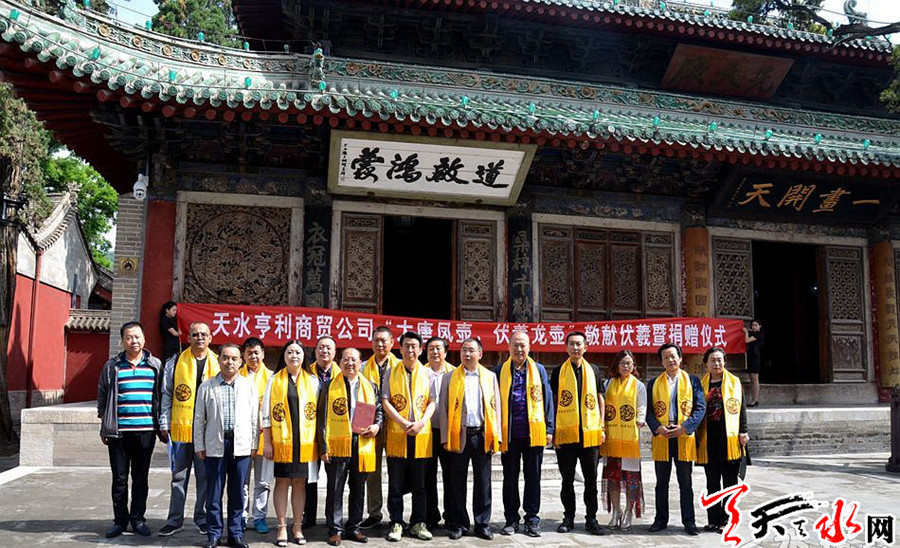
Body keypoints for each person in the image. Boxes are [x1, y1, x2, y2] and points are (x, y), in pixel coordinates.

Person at [97, 321, 162, 538]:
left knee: (140, 478)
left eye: (137, 337)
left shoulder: (155, 365)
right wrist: (104, 424)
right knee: (119, 479)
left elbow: (161, 395)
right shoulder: (112, 366)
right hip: (119, 432)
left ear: (144, 339)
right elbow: (102, 395)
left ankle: (138, 519)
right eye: (129, 337)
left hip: (146, 431)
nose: (134, 341)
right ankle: (120, 521)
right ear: (123, 340)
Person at [194, 343, 259, 548]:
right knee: (214, 492)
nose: (229, 362)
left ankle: (235, 533)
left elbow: (254, 419)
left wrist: (254, 443)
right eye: (225, 357)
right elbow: (199, 418)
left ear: (240, 361)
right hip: (215, 443)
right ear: (219, 359)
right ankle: (214, 534)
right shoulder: (207, 386)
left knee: (238, 492)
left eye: (234, 358)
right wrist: (199, 445)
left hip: (241, 445)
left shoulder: (249, 385)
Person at [159, 322, 220, 537]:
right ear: (188, 338)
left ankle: (201, 518)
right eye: (195, 334)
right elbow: (167, 393)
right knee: (178, 477)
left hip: (207, 431)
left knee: (205, 477)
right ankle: (174, 519)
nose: (199, 338)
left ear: (210, 338)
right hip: (181, 428)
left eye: (204, 334)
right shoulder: (175, 362)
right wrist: (164, 421)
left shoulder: (218, 363)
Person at [318, 347, 384, 546]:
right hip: (337, 443)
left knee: (358, 488)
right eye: (345, 359)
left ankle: (354, 527)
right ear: (339, 363)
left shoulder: (370, 386)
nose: (349, 363)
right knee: (335, 488)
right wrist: (323, 447)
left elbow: (379, 411)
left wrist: (377, 426)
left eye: (353, 359)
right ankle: (335, 529)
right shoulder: (329, 386)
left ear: (360, 362)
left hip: (362, 442)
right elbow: (322, 417)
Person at [440, 337, 502, 541]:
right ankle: (460, 524)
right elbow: (444, 408)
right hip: (458, 435)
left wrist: (497, 436)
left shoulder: (490, 377)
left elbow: (496, 407)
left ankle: (482, 524)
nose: (467, 354)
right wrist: (445, 438)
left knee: (483, 482)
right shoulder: (450, 377)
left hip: (482, 434)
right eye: (464, 350)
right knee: (457, 482)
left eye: (471, 350)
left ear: (480, 354)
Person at [493, 331, 554, 538]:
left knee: (533, 477)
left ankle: (532, 519)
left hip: (533, 433)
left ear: (529, 347)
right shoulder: (499, 371)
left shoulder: (539, 370)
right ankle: (511, 519)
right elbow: (493, 404)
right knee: (509, 478)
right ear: (508, 347)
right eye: (515, 345)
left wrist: (549, 428)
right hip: (509, 434)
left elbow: (547, 399)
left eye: (523, 345)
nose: (519, 349)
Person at [262, 340, 320, 547]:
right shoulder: (274, 380)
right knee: (282, 482)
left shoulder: (313, 381)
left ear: (304, 356)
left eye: (298, 352)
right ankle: (281, 527)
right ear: (284, 356)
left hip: (305, 442)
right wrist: (267, 442)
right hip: (281, 441)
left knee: (299, 483)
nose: (294, 356)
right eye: (290, 352)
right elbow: (266, 414)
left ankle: (297, 526)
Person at [646, 342, 706, 536]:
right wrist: (657, 427)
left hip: (683, 435)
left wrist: (685, 427)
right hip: (662, 436)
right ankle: (660, 519)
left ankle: (689, 521)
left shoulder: (692, 381)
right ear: (661, 362)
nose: (670, 360)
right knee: (661, 482)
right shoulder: (653, 383)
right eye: (666, 357)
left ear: (680, 358)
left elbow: (700, 408)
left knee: (685, 482)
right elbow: (648, 411)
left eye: (673, 356)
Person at [381, 331, 436, 542]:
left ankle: (418, 523)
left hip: (421, 435)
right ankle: (396, 522)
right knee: (395, 484)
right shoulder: (391, 372)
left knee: (420, 484)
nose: (410, 350)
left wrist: (420, 423)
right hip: (398, 433)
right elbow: (385, 401)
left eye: (414, 346)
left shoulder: (428, 373)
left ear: (421, 350)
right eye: (406, 346)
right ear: (400, 348)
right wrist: (403, 423)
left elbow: (432, 402)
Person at [550, 331, 605, 535]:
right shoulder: (558, 371)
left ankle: (591, 518)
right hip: (566, 434)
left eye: (579, 344)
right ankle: (568, 517)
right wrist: (553, 430)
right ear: (566, 348)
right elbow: (554, 400)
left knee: (591, 479)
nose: (575, 348)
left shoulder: (594, 370)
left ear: (585, 347)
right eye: (571, 344)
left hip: (590, 434)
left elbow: (600, 398)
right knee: (567, 479)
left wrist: (602, 427)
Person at [697, 347, 750, 533]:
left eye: (720, 359)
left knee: (729, 482)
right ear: (706, 363)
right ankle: (713, 519)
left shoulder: (734, 382)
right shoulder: (700, 385)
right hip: (708, 439)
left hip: (729, 439)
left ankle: (726, 520)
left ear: (725, 361)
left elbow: (742, 409)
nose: (716, 363)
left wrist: (743, 431)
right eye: (712, 360)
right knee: (712, 482)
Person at [600, 350, 646, 531]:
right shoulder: (608, 384)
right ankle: (616, 511)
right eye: (623, 363)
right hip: (612, 438)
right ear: (617, 365)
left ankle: (628, 511)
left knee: (630, 478)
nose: (626, 366)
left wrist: (640, 420)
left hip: (629, 439)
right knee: (613, 478)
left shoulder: (638, 385)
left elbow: (641, 407)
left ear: (634, 365)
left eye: (629, 363)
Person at [360, 326, 400, 530]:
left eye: (384, 340)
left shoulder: (400, 366)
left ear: (392, 342)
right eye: (376, 340)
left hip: (396, 426)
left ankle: (396, 515)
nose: (380, 344)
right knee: (372, 471)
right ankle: (374, 513)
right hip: (371, 426)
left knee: (396, 472)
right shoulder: (362, 367)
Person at [305, 334, 340, 529]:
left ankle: (331, 519)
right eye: (321, 347)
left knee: (334, 480)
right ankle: (308, 517)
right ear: (315, 351)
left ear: (335, 353)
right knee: (309, 477)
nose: (324, 351)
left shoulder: (341, 374)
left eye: (329, 348)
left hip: (333, 434)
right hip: (310, 433)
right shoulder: (306, 373)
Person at [239, 337, 273, 534]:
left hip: (264, 438)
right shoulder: (236, 376)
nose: (253, 356)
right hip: (242, 438)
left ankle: (259, 517)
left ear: (263, 354)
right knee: (241, 481)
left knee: (262, 481)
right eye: (249, 353)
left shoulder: (272, 378)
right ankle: (241, 516)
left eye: (256, 353)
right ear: (243, 356)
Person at [424, 336, 455, 531]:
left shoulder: (455, 373)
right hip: (426, 432)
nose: (435, 352)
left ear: (445, 352)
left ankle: (451, 515)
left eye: (438, 348)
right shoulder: (420, 372)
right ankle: (431, 515)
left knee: (451, 475)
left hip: (448, 432)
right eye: (431, 349)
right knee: (428, 476)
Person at [744, 320, 763, 407]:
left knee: (755, 380)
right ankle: (753, 399)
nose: (754, 327)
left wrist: (746, 332)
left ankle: (755, 400)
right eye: (753, 325)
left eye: (756, 325)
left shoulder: (759, 334)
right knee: (752, 380)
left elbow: (747, 340)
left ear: (760, 326)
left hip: (755, 358)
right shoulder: (753, 334)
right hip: (751, 357)